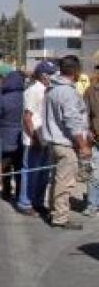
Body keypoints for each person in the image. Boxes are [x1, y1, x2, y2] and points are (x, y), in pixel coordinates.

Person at [41, 55, 92, 230]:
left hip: (53, 142)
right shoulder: (67, 92)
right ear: (75, 71)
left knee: (56, 180)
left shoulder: (51, 89)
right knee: (65, 182)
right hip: (65, 144)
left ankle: (54, 211)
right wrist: (83, 145)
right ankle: (60, 218)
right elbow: (72, 121)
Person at [16, 60, 57, 216]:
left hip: (46, 137)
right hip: (34, 138)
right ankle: (25, 203)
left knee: (43, 173)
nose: (54, 76)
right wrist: (34, 137)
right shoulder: (34, 90)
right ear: (43, 75)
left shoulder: (49, 90)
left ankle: (38, 202)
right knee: (30, 172)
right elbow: (27, 117)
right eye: (52, 74)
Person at [0, 70, 26, 202]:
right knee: (19, 167)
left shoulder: (2, 98)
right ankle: (19, 193)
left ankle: (6, 192)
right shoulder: (25, 97)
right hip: (21, 137)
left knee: (6, 166)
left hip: (4, 136)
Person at [81, 56, 99, 217]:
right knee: (94, 173)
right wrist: (87, 133)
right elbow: (84, 115)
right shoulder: (91, 91)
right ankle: (92, 204)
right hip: (96, 139)